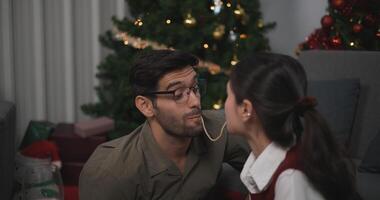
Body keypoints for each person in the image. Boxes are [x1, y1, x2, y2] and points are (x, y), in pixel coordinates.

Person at [79, 50, 249, 200]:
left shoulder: (219, 129)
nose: (195, 101)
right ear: (146, 106)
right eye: (177, 93)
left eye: (195, 87)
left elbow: (269, 158)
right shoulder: (110, 172)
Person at [224, 52, 362, 200]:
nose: (224, 104)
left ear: (246, 109)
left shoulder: (291, 180)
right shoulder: (263, 160)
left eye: (228, 95)